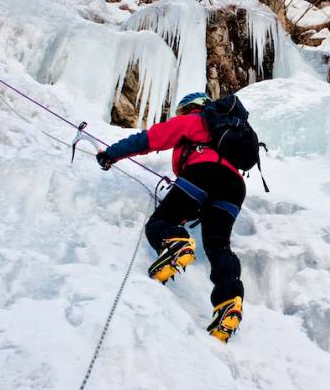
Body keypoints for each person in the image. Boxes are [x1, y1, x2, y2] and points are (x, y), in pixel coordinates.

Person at [96, 92, 245, 342]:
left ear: (192, 108)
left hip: (204, 173)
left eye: (182, 110)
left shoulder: (196, 120)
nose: (180, 115)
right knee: (218, 245)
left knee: (161, 222)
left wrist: (111, 153)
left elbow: (149, 139)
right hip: (234, 188)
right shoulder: (228, 133)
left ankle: (176, 243)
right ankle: (229, 301)